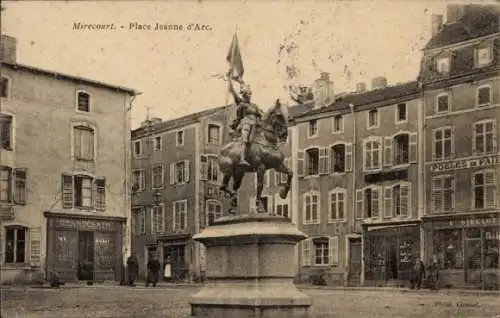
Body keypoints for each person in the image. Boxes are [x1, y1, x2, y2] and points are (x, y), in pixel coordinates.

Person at [228, 77, 264, 167]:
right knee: (245, 141)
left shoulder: (255, 105)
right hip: (246, 124)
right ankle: (242, 159)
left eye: (249, 94)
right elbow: (239, 116)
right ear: (244, 95)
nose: (248, 96)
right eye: (246, 94)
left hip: (255, 125)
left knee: (254, 141)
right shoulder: (242, 105)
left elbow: (261, 114)